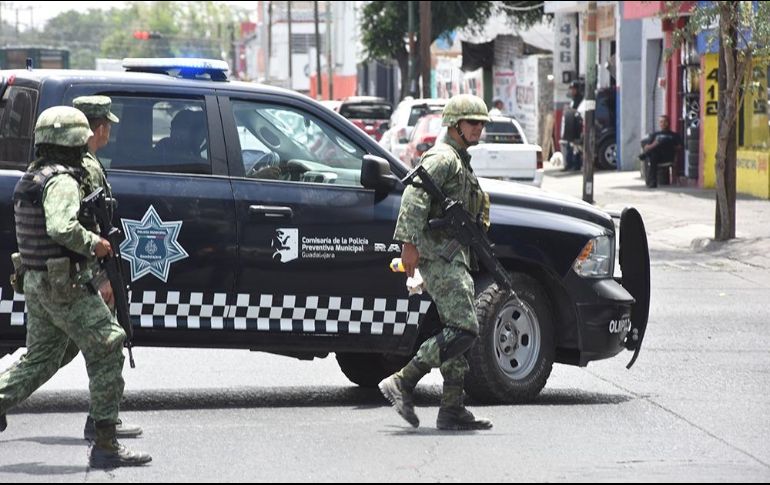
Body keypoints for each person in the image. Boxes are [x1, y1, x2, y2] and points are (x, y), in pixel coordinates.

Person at [0, 106, 151, 468]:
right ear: (73, 142)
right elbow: (61, 227)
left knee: (42, 358)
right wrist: (94, 244)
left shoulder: (35, 175)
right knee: (109, 345)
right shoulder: (63, 181)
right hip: (63, 282)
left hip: (38, 280)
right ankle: (105, 444)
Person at [378, 94, 493, 431]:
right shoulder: (443, 158)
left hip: (453, 254)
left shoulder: (459, 159)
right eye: (473, 123)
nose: (479, 129)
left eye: (482, 124)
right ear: (455, 125)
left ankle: (452, 408)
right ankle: (403, 380)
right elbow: (413, 197)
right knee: (465, 328)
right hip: (438, 255)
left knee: (455, 330)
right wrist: (409, 245)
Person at [73, 95, 143, 441]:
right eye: (107, 124)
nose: (110, 131)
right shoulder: (85, 167)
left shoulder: (87, 162)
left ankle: (103, 419)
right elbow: (87, 225)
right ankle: (102, 424)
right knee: (104, 344)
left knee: (61, 352)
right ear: (97, 127)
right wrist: (102, 276)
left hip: (93, 267)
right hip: (91, 270)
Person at [640, 115, 682, 188]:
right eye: (661, 122)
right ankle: (653, 182)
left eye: (664, 122)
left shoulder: (674, 135)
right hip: (657, 157)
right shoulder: (655, 134)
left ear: (668, 123)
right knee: (654, 155)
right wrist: (655, 144)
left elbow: (680, 146)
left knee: (662, 143)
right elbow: (647, 147)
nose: (663, 123)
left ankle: (645, 155)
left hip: (668, 156)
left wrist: (669, 144)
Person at [562, 80, 584, 171]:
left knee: (576, 147)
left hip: (576, 127)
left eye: (574, 89)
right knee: (569, 146)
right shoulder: (573, 99)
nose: (572, 91)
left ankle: (576, 165)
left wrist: (571, 109)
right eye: (571, 89)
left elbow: (579, 112)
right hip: (571, 126)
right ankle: (569, 164)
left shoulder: (580, 99)